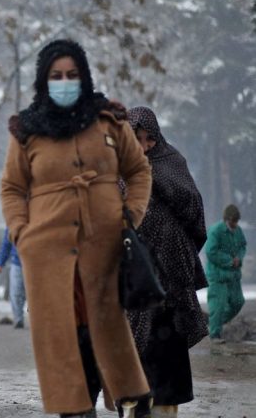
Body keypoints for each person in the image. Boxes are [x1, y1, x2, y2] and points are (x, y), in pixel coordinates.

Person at [0, 39, 153, 418]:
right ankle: (76, 409)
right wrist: (22, 233)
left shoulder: (109, 120)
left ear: (83, 76)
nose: (64, 81)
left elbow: (138, 172)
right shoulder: (27, 131)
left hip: (105, 250)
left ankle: (131, 402)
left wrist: (130, 216)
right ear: (44, 80)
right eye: (56, 76)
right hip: (46, 254)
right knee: (64, 340)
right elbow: (12, 188)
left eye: (72, 74)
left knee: (109, 334)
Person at [127, 106, 209, 418]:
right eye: (138, 139)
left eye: (150, 139)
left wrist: (156, 180)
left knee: (166, 358)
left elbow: (194, 210)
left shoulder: (172, 163)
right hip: (133, 283)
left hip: (171, 282)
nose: (145, 145)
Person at [205, 204, 247, 343]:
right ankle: (215, 335)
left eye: (237, 221)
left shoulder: (238, 230)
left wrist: (239, 259)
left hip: (233, 275)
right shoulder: (216, 231)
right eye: (233, 221)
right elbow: (211, 252)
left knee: (238, 302)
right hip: (218, 275)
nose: (235, 224)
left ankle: (213, 323)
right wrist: (229, 261)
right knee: (218, 304)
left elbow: (242, 246)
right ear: (226, 219)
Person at [0, 228, 26, 328]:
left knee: (35, 293)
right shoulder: (12, 224)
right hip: (17, 263)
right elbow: (6, 244)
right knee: (16, 292)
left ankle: (37, 318)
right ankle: (18, 318)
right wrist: (0, 263)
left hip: (35, 263)